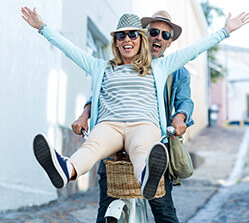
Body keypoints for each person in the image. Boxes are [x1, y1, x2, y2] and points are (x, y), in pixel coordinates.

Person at [21, 6, 248, 203]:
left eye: (132, 35)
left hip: (143, 124)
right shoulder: (101, 67)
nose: (127, 40)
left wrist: (225, 30)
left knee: (141, 150)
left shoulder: (159, 67)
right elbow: (70, 49)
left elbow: (194, 50)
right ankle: (65, 169)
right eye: (121, 36)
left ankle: (147, 177)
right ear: (116, 42)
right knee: (91, 147)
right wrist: (42, 27)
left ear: (141, 40)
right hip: (109, 125)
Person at [72, 10, 194, 223]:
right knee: (106, 211)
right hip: (113, 144)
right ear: (144, 35)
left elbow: (185, 101)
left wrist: (180, 117)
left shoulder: (176, 70)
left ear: (170, 42)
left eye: (165, 35)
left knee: (164, 212)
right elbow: (102, 94)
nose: (159, 37)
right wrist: (85, 114)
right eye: (154, 32)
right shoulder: (119, 65)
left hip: (153, 144)